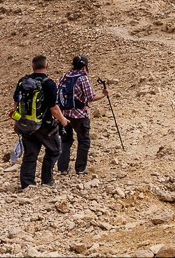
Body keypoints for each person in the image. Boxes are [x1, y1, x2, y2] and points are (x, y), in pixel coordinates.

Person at [14, 55, 69, 189]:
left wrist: (16, 123)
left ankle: (27, 184)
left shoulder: (23, 81)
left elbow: (16, 104)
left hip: (25, 124)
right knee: (55, 150)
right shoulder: (48, 83)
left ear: (32, 67)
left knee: (30, 154)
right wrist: (63, 121)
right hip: (45, 126)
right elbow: (54, 108)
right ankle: (47, 180)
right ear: (47, 66)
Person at [57, 55, 107, 176]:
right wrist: (103, 94)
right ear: (85, 66)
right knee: (83, 141)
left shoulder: (64, 76)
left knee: (65, 140)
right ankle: (80, 168)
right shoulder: (82, 78)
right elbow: (90, 97)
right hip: (79, 115)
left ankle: (63, 168)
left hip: (63, 115)